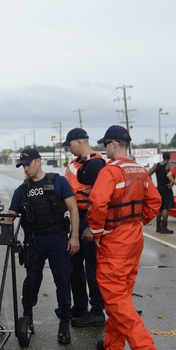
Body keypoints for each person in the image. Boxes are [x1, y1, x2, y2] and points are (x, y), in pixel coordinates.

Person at [87, 125, 163, 350]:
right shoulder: (140, 170)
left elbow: (98, 202)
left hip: (115, 239)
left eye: (105, 145)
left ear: (113, 144)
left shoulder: (110, 171)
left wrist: (97, 231)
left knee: (115, 297)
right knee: (122, 294)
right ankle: (113, 345)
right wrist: (140, 220)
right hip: (134, 237)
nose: (105, 149)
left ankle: (144, 348)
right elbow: (156, 201)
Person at [5, 148, 80, 345]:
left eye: (28, 164)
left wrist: (74, 237)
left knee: (63, 280)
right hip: (34, 240)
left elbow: (73, 209)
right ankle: (27, 315)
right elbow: (10, 215)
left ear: (39, 161)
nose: (26, 168)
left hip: (58, 238)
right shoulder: (22, 190)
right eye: (23, 165)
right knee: (32, 281)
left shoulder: (58, 182)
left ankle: (64, 321)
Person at [62, 128, 107, 328]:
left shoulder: (96, 164)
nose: (69, 149)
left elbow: (101, 198)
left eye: (70, 145)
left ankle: (97, 310)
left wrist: (94, 227)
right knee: (74, 265)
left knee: (92, 266)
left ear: (79, 142)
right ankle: (80, 306)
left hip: (89, 219)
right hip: (76, 217)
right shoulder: (76, 163)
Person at [148, 152, 175, 234]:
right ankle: (164, 227)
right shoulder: (169, 165)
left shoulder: (156, 165)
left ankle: (158, 227)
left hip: (158, 188)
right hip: (167, 188)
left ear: (162, 157)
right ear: (169, 158)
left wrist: (152, 185)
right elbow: (174, 173)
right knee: (165, 208)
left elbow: (148, 174)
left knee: (159, 207)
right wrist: (172, 184)